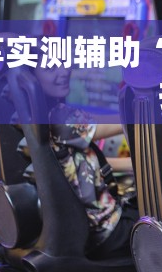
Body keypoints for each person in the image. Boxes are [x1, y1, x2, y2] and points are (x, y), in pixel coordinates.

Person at [32, 63, 136, 259]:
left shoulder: (32, 116)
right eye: (50, 68)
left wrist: (136, 165)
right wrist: (146, 109)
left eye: (63, 64)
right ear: (32, 77)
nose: (63, 72)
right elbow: (112, 124)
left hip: (84, 232)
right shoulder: (59, 117)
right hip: (107, 230)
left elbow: (84, 163)